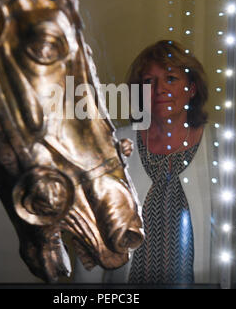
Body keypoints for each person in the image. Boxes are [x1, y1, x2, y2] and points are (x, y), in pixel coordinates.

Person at [73, 40, 221, 285]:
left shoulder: (220, 146)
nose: (160, 89)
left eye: (171, 79)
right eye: (149, 81)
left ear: (192, 89)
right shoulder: (114, 144)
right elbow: (92, 233)